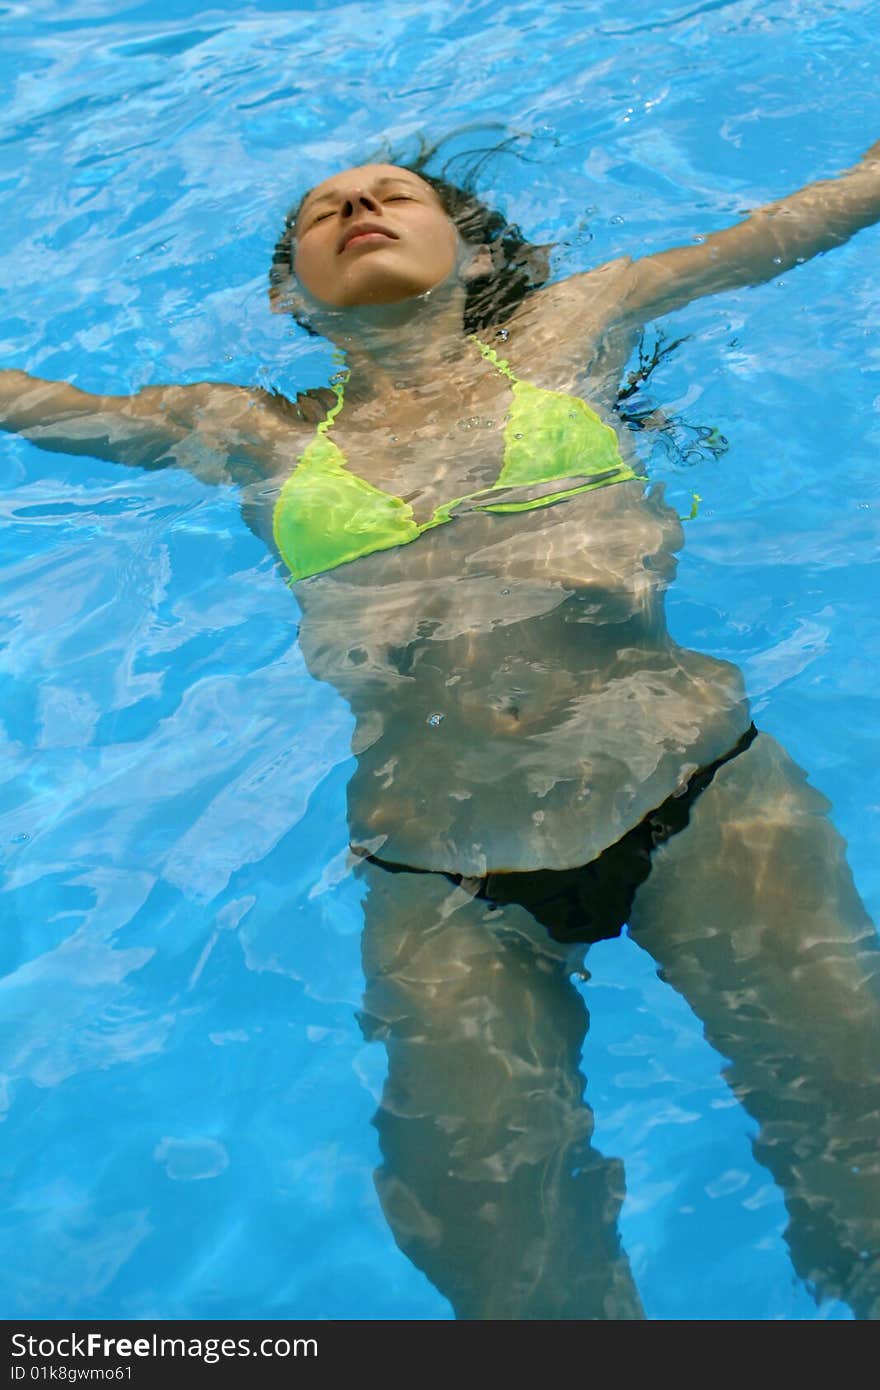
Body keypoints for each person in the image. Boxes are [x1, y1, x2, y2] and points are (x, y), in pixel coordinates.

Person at [3, 141, 880, 1319]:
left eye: (390, 196)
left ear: (471, 253)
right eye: (325, 210)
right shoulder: (247, 431)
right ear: (287, 292)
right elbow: (38, 410)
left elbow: (774, 232)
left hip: (696, 791)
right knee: (494, 1248)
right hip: (445, 871)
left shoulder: (571, 331)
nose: (358, 206)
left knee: (860, 1139)